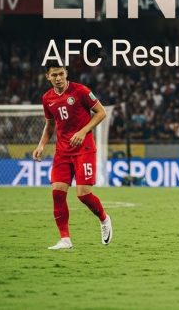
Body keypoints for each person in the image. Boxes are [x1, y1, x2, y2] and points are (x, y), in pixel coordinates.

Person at [33, 64, 112, 250]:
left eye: (61, 73)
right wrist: (41, 144)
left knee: (83, 194)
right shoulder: (47, 98)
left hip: (84, 148)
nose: (58, 77)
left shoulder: (80, 91)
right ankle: (65, 239)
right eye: (54, 75)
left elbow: (101, 112)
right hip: (62, 151)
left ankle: (104, 219)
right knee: (57, 194)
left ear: (66, 73)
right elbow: (50, 126)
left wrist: (83, 131)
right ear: (48, 77)